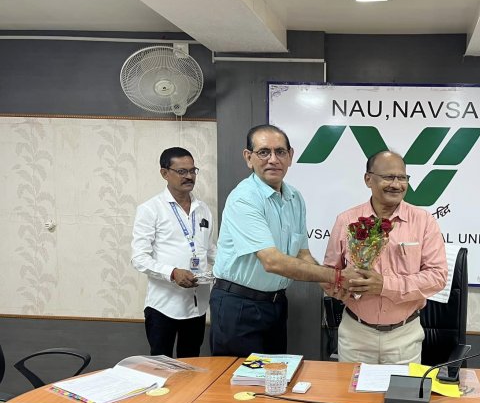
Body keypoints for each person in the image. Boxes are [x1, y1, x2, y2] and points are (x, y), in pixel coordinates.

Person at [210, 124, 357, 356]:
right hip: (238, 305)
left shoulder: (294, 197)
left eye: (280, 152)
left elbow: (302, 253)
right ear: (248, 158)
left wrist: (329, 285)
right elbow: (273, 262)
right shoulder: (244, 198)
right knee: (239, 385)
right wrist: (336, 276)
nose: (273, 159)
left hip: (276, 305)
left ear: (290, 157)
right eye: (263, 152)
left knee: (273, 379)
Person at [324, 150, 448, 364]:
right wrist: (343, 287)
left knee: (400, 397)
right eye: (389, 177)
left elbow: (437, 277)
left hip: (404, 336)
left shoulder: (424, 221)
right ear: (368, 179)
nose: (396, 184)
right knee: (351, 397)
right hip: (356, 335)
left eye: (402, 178)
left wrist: (383, 285)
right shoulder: (346, 221)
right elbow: (328, 274)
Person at [131, 147, 216, 357]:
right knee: (162, 368)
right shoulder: (150, 209)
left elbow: (210, 249)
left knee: (191, 367)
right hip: (163, 307)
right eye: (181, 171)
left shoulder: (203, 209)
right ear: (164, 173)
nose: (189, 176)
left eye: (192, 170)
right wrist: (172, 272)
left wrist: (229, 267)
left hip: (197, 305)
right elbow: (139, 258)